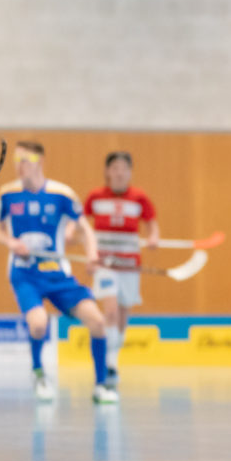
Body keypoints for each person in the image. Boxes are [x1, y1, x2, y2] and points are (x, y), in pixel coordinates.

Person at [0, 141, 111, 404]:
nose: (19, 165)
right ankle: (38, 373)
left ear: (40, 161)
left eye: (25, 159)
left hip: (59, 275)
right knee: (38, 324)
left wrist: (92, 255)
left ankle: (101, 385)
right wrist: (11, 243)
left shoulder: (62, 194)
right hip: (25, 275)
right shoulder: (7, 194)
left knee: (98, 322)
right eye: (16, 159)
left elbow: (85, 229)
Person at [83, 151, 158, 388]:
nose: (119, 173)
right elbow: (82, 226)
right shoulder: (95, 197)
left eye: (124, 168)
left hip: (129, 265)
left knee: (123, 315)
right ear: (107, 171)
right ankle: (109, 361)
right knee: (111, 311)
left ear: (130, 172)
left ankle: (114, 354)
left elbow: (152, 225)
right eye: (114, 168)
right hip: (105, 264)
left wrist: (154, 238)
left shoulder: (139, 198)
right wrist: (82, 246)